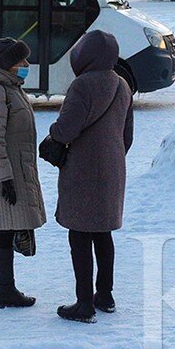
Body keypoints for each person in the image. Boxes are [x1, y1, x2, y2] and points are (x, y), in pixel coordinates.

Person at [40, 30, 133, 323]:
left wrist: (52, 135)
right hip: (112, 168)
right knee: (103, 234)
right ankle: (104, 295)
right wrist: (111, 156)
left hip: (82, 169)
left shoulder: (82, 86)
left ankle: (83, 305)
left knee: (79, 235)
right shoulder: (123, 85)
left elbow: (66, 129)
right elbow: (126, 137)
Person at [0, 36, 47, 308]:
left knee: (1, 227)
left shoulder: (11, 88)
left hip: (14, 169)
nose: (27, 65)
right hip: (6, 172)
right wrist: (3, 177)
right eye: (21, 61)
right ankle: (5, 290)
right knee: (4, 229)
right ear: (8, 65)